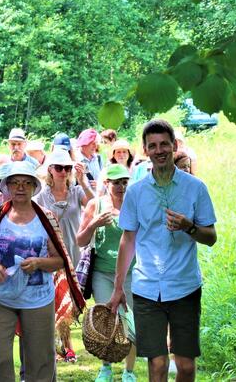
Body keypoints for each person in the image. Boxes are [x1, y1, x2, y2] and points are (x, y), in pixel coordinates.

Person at [107, 119, 217, 382]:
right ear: (145, 151)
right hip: (147, 289)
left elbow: (211, 237)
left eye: (164, 144)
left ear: (174, 145)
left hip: (185, 287)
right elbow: (128, 240)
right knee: (156, 365)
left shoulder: (195, 188)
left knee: (186, 366)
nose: (159, 150)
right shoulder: (136, 192)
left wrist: (189, 227)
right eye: (152, 146)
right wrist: (118, 287)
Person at [0, 161, 85, 382]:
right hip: (0, 298)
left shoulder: (46, 218)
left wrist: (38, 263)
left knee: (40, 360)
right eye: (14, 183)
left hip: (37, 299)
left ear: (35, 187)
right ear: (6, 187)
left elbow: (60, 260)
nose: (20, 187)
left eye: (26, 182)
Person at [77, 164, 137, 382]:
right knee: (107, 320)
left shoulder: (134, 205)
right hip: (102, 273)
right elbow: (80, 240)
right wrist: (95, 223)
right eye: (116, 182)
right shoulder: (96, 204)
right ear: (106, 184)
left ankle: (129, 372)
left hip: (131, 273)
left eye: (124, 182)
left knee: (130, 322)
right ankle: (106, 368)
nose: (121, 187)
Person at [33, 148, 92, 363]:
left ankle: (61, 345)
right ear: (50, 169)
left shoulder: (76, 192)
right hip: (54, 253)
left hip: (75, 251)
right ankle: (65, 347)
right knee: (59, 300)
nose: (63, 172)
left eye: (67, 168)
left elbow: (96, 205)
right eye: (59, 168)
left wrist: (84, 181)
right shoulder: (41, 196)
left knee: (71, 302)